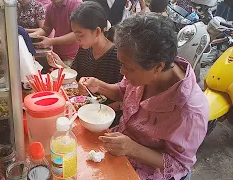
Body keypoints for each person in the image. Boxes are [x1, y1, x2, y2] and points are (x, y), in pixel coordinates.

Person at [79, 13, 208, 180]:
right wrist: (99, 86)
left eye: (128, 68)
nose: (122, 72)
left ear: (158, 67)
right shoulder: (143, 69)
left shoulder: (190, 111)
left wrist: (132, 149)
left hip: (148, 170)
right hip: (120, 147)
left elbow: (179, 164)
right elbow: (124, 92)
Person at [47, 1, 122, 84]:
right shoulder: (85, 49)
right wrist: (60, 65)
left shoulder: (117, 56)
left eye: (80, 35)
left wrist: (100, 87)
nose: (76, 40)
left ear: (97, 31)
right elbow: (77, 76)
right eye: (75, 34)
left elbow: (121, 92)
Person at [30, 0, 82, 66]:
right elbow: (46, 29)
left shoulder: (76, 4)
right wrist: (28, 36)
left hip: (74, 57)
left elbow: (78, 34)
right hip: (56, 55)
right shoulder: (50, 8)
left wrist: (51, 41)